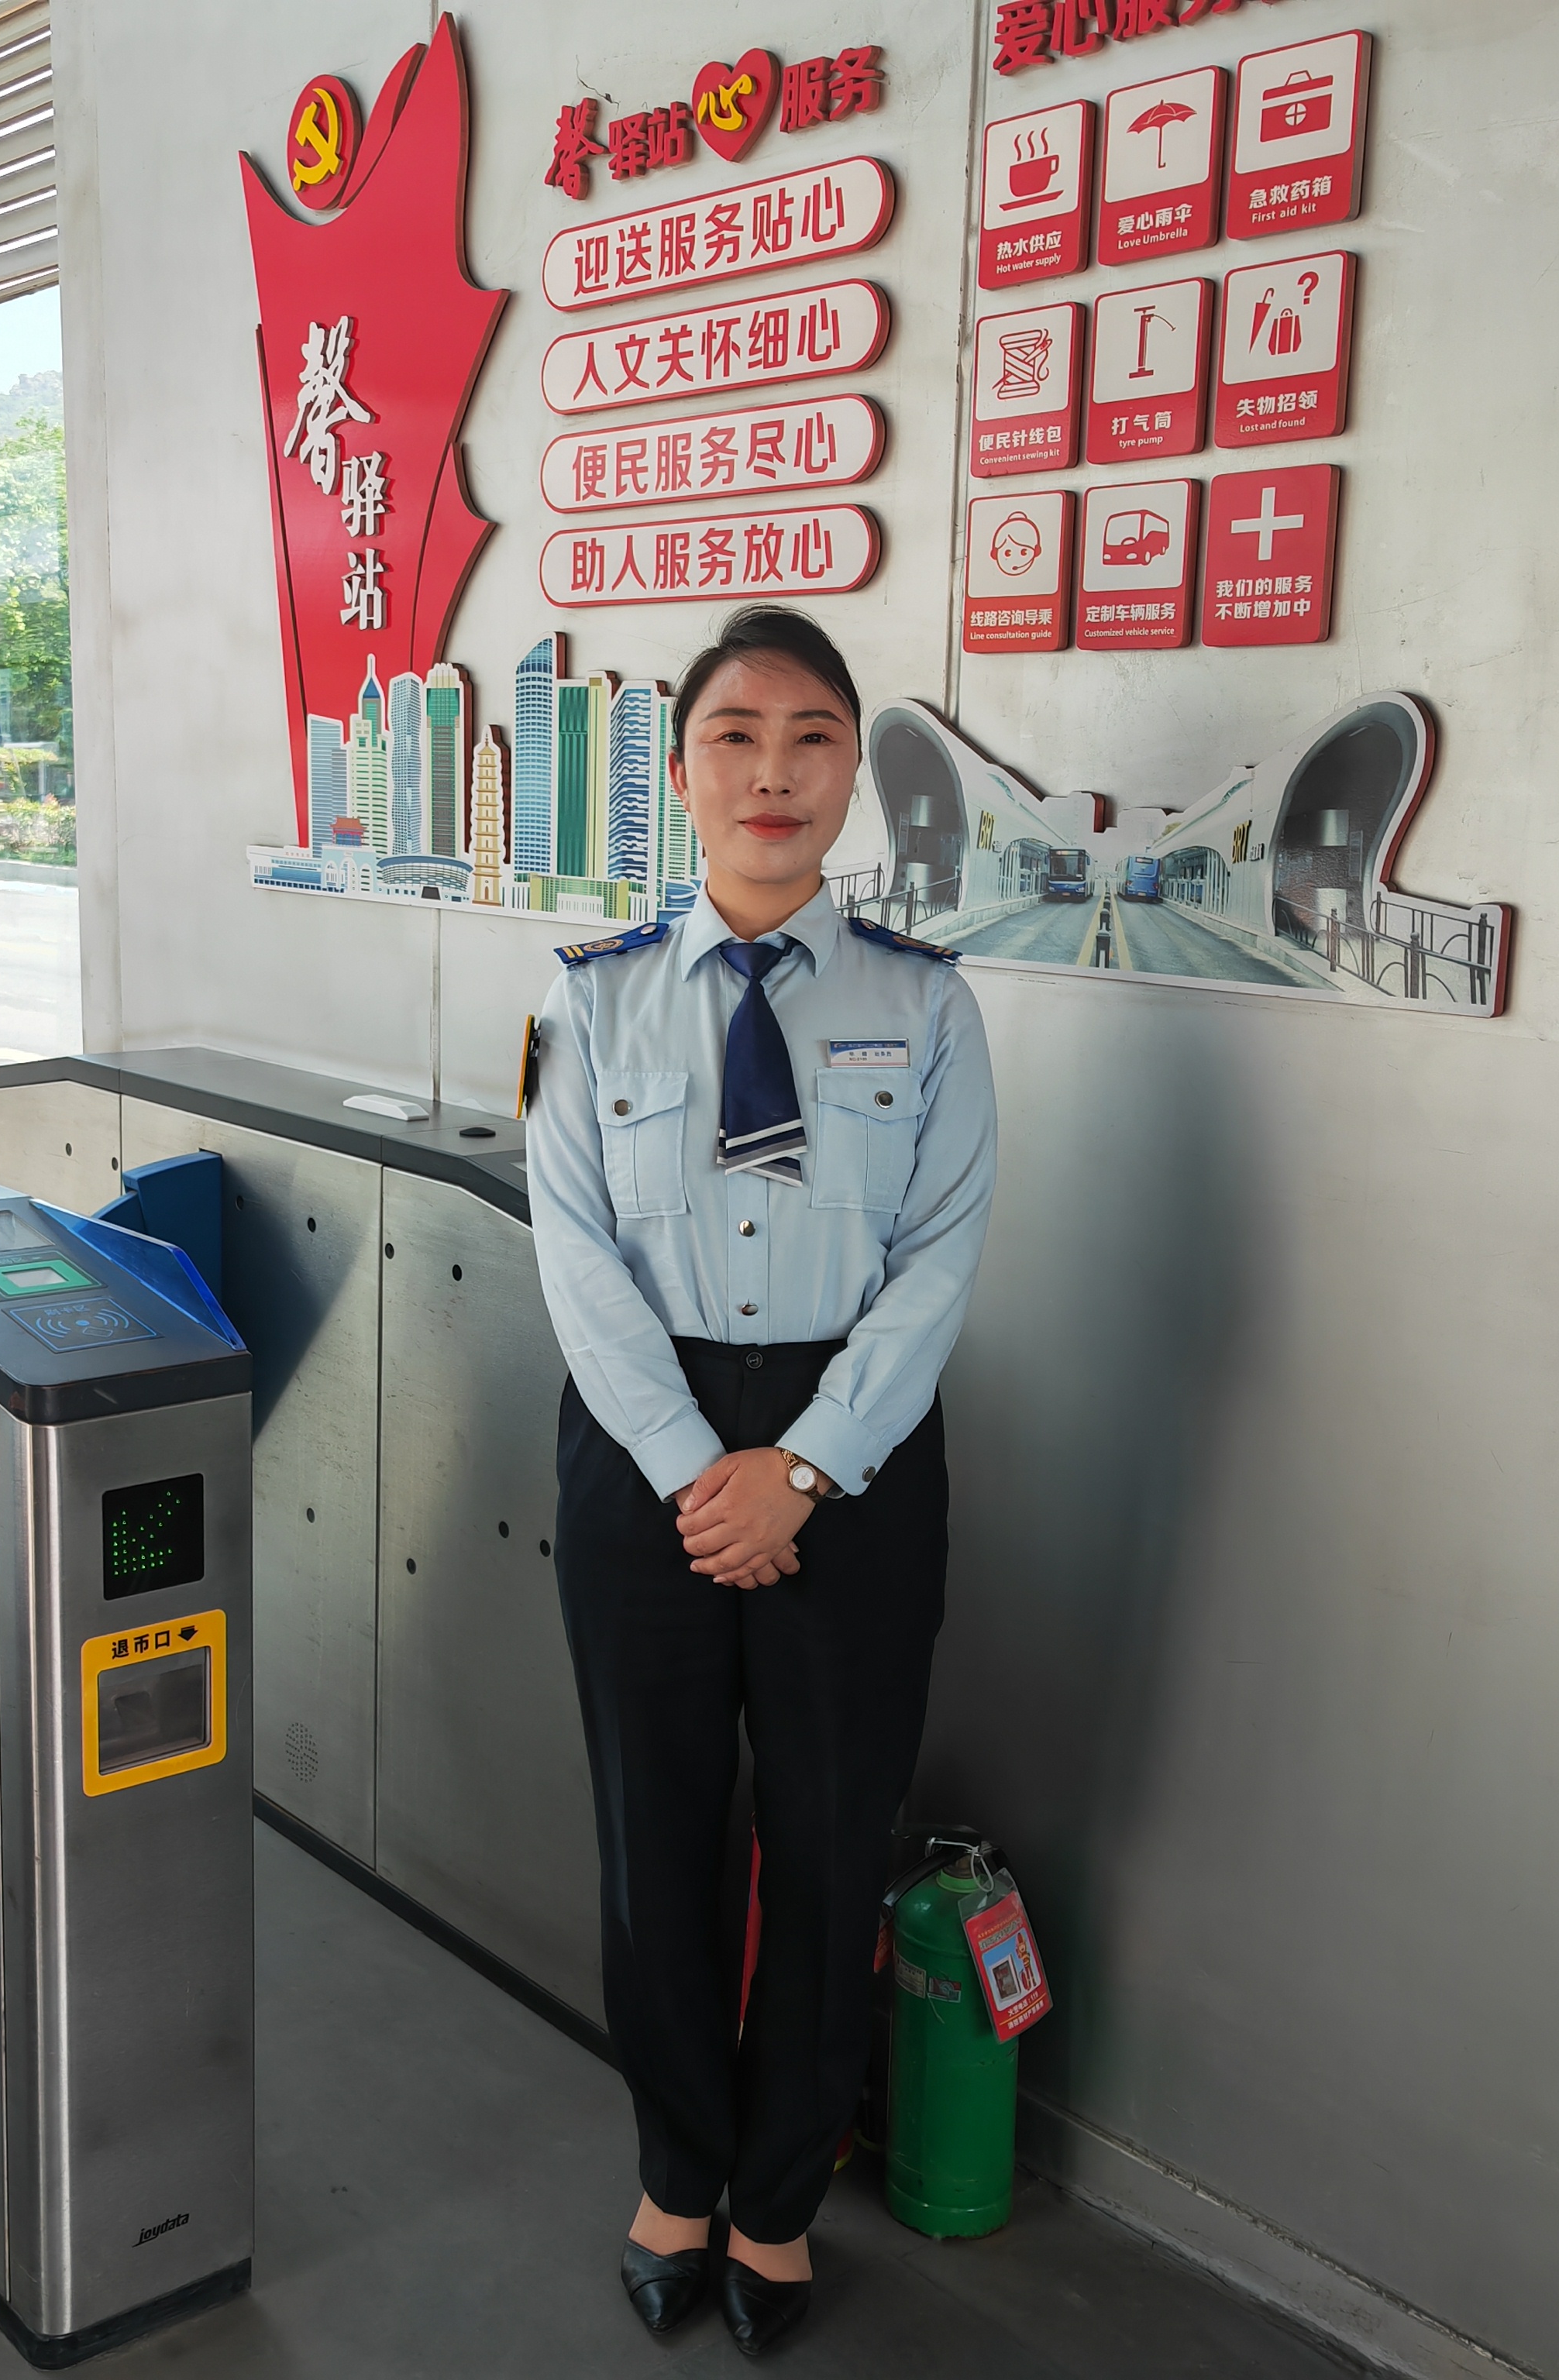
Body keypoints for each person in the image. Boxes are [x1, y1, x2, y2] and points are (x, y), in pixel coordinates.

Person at [526, 606, 997, 2358]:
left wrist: (801, 1464)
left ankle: (778, 2197)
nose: (773, 772)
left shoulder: (927, 1003)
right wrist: (690, 1470)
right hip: (639, 1439)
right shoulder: (588, 997)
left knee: (825, 1833)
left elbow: (940, 1260)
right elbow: (575, 1257)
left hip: (851, 1450)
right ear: (680, 771)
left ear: (851, 774)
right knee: (654, 1836)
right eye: (736, 735)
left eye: (813, 738)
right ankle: (675, 2171)